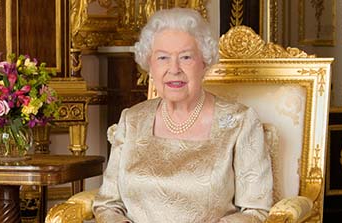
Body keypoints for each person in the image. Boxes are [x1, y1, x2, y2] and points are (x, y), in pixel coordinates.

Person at [93, 7, 273, 223]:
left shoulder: (239, 122)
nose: (174, 69)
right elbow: (107, 204)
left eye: (186, 57)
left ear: (204, 62)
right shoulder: (132, 120)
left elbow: (256, 211)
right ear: (149, 65)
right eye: (162, 58)